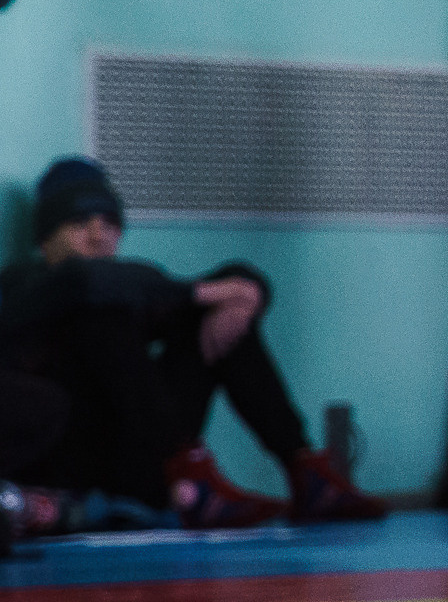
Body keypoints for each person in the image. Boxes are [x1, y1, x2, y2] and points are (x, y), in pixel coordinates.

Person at [0, 158, 383, 525]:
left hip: (142, 450)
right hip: (73, 458)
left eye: (110, 222)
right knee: (102, 311)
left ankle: (303, 471)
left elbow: (216, 285)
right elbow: (83, 282)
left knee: (214, 318)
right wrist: (204, 292)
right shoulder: (20, 287)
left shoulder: (133, 286)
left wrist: (244, 295)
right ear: (46, 238)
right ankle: (186, 479)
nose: (99, 235)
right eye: (80, 222)